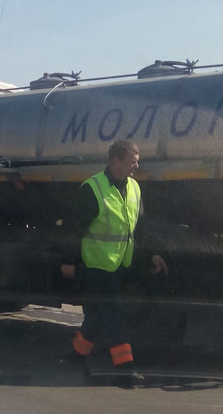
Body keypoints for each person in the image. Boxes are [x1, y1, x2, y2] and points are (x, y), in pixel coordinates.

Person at [60, 140, 168, 388]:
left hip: (120, 263)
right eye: (132, 161)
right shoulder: (93, 188)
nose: (136, 166)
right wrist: (68, 261)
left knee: (97, 316)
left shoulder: (134, 188)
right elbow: (73, 229)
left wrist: (152, 253)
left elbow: (139, 228)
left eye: (137, 161)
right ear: (115, 161)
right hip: (97, 265)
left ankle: (74, 357)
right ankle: (125, 371)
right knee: (115, 314)